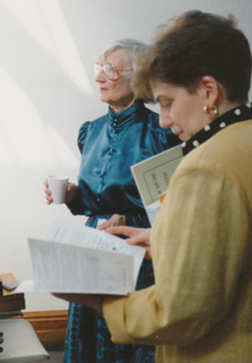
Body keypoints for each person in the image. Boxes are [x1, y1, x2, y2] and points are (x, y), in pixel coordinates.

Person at [53, 11, 252, 362]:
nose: (163, 120)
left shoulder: (206, 166)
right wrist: (166, 242)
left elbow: (181, 312)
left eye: (168, 102)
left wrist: (95, 298)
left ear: (209, 91)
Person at [44, 39, 180, 363]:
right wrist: (75, 196)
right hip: (96, 237)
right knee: (89, 332)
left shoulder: (162, 133)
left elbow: (172, 203)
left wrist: (125, 213)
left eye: (110, 70)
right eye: (98, 69)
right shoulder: (89, 131)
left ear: (138, 77)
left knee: (130, 336)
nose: (99, 78)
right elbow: (94, 200)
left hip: (139, 244)